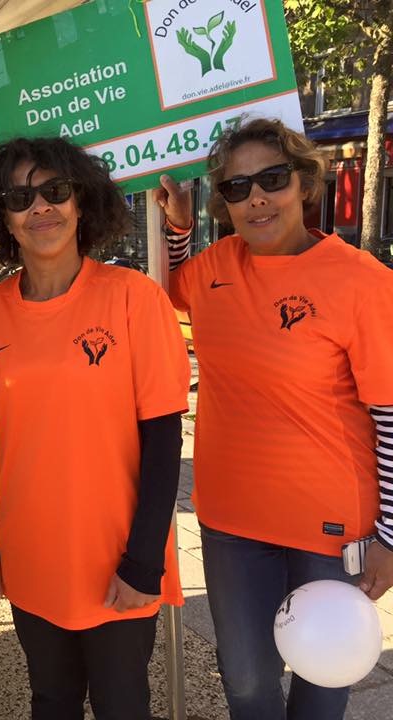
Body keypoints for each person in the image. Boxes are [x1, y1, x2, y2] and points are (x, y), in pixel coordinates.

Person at [159, 117, 393, 720]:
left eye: (272, 179)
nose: (257, 197)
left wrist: (392, 537)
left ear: (304, 184)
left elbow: (391, 414)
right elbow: (172, 289)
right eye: (237, 188)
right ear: (225, 204)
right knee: (245, 682)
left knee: (324, 675)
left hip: (331, 527)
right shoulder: (215, 267)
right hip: (231, 520)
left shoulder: (364, 282)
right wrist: (178, 226)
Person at [0, 136, 190, 720]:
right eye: (20, 197)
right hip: (30, 552)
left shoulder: (135, 298)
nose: (40, 207)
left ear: (81, 201)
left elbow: (164, 439)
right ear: (3, 217)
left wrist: (143, 562)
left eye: (54, 191)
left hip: (116, 556)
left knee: (121, 706)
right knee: (51, 700)